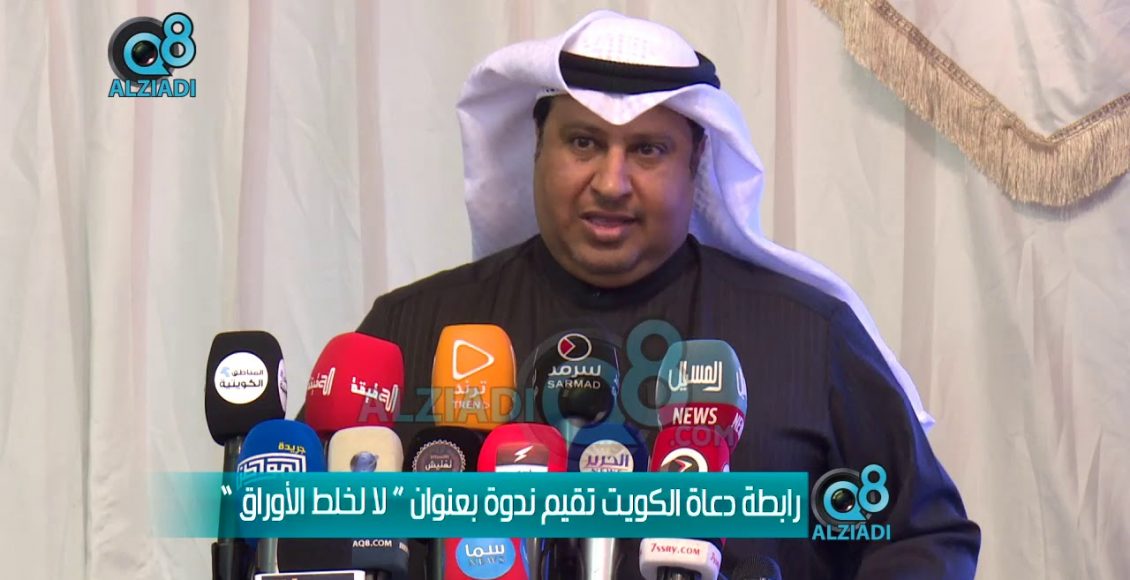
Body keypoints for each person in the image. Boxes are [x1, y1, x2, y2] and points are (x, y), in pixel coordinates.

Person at [354, 11, 980, 578]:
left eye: (648, 150)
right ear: (538, 148)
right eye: (583, 142)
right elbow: (311, 526)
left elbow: (925, 537)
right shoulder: (410, 331)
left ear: (696, 160)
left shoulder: (807, 335)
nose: (612, 182)